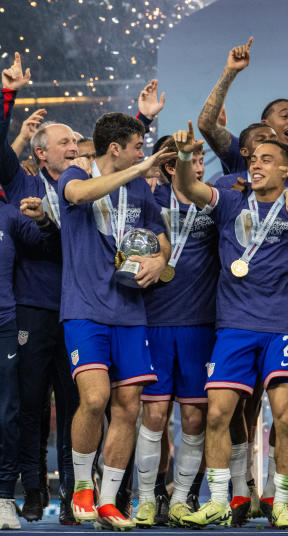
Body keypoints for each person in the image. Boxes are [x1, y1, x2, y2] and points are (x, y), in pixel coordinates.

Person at [171, 123, 288, 529]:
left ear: (286, 169)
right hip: (234, 327)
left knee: (285, 418)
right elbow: (191, 191)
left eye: (267, 160)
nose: (256, 165)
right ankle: (218, 499)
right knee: (217, 415)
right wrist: (181, 158)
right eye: (253, 159)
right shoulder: (231, 201)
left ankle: (281, 501)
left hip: (281, 327)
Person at [58, 112, 175, 530]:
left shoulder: (140, 190)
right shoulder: (76, 172)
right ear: (116, 149)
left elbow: (161, 237)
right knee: (94, 399)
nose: (143, 154)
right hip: (85, 310)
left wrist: (159, 258)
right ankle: (82, 489)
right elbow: (80, 194)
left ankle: (108, 501)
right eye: (138, 147)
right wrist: (140, 170)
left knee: (128, 407)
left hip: (130, 312)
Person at [0, 53, 80, 525]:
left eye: (76, 141)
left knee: (75, 407)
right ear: (41, 152)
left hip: (76, 309)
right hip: (30, 309)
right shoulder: (21, 183)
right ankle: (32, 491)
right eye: (64, 141)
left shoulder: (87, 187)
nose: (73, 147)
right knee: (30, 405)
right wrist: (6, 95)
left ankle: (72, 493)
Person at [134, 133, 218, 528]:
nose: (200, 168)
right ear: (173, 167)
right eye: (194, 161)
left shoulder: (216, 202)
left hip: (199, 325)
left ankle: (182, 498)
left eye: (201, 160)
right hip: (154, 320)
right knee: (153, 414)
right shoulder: (150, 202)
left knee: (195, 419)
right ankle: (147, 498)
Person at [0, 188, 61, 531]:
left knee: (7, 414)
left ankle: (4, 497)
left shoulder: (8, 214)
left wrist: (43, 220)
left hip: (4, 325)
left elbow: (52, 246)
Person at [196, 38, 288, 176]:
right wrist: (230, 71)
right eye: (285, 116)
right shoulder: (244, 151)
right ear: (265, 123)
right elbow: (206, 124)